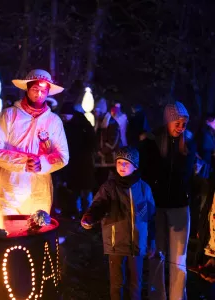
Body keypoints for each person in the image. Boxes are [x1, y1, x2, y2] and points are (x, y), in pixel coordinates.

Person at [0, 69, 69, 215]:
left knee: (38, 232)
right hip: (11, 188)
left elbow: (62, 156)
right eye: (35, 89)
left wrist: (42, 164)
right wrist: (24, 162)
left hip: (40, 190)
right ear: (27, 88)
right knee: (9, 233)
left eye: (43, 91)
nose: (39, 94)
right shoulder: (9, 115)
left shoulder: (54, 121)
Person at [81, 147, 156, 300]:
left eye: (126, 163)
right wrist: (90, 217)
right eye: (119, 162)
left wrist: (151, 241)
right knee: (117, 283)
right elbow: (99, 205)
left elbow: (151, 217)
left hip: (137, 244)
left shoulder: (144, 188)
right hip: (115, 243)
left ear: (135, 166)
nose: (122, 166)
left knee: (136, 282)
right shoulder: (109, 187)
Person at [139, 101, 196, 300]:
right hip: (157, 206)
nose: (181, 127)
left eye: (184, 124)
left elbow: (188, 175)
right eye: (177, 122)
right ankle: (158, 296)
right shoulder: (151, 142)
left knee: (179, 259)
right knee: (157, 255)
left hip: (180, 206)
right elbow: (144, 175)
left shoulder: (188, 143)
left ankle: (177, 297)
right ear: (168, 120)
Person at [58, 102, 96, 218]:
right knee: (74, 189)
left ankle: (88, 213)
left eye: (65, 116)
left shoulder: (82, 123)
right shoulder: (66, 125)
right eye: (62, 116)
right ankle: (77, 211)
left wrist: (86, 152)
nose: (63, 118)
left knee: (86, 189)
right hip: (72, 161)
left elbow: (92, 139)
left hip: (84, 162)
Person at [94, 98, 121, 186]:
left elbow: (112, 143)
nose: (95, 113)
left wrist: (100, 152)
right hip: (100, 161)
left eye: (96, 111)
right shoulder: (99, 123)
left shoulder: (112, 123)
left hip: (110, 161)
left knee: (109, 185)